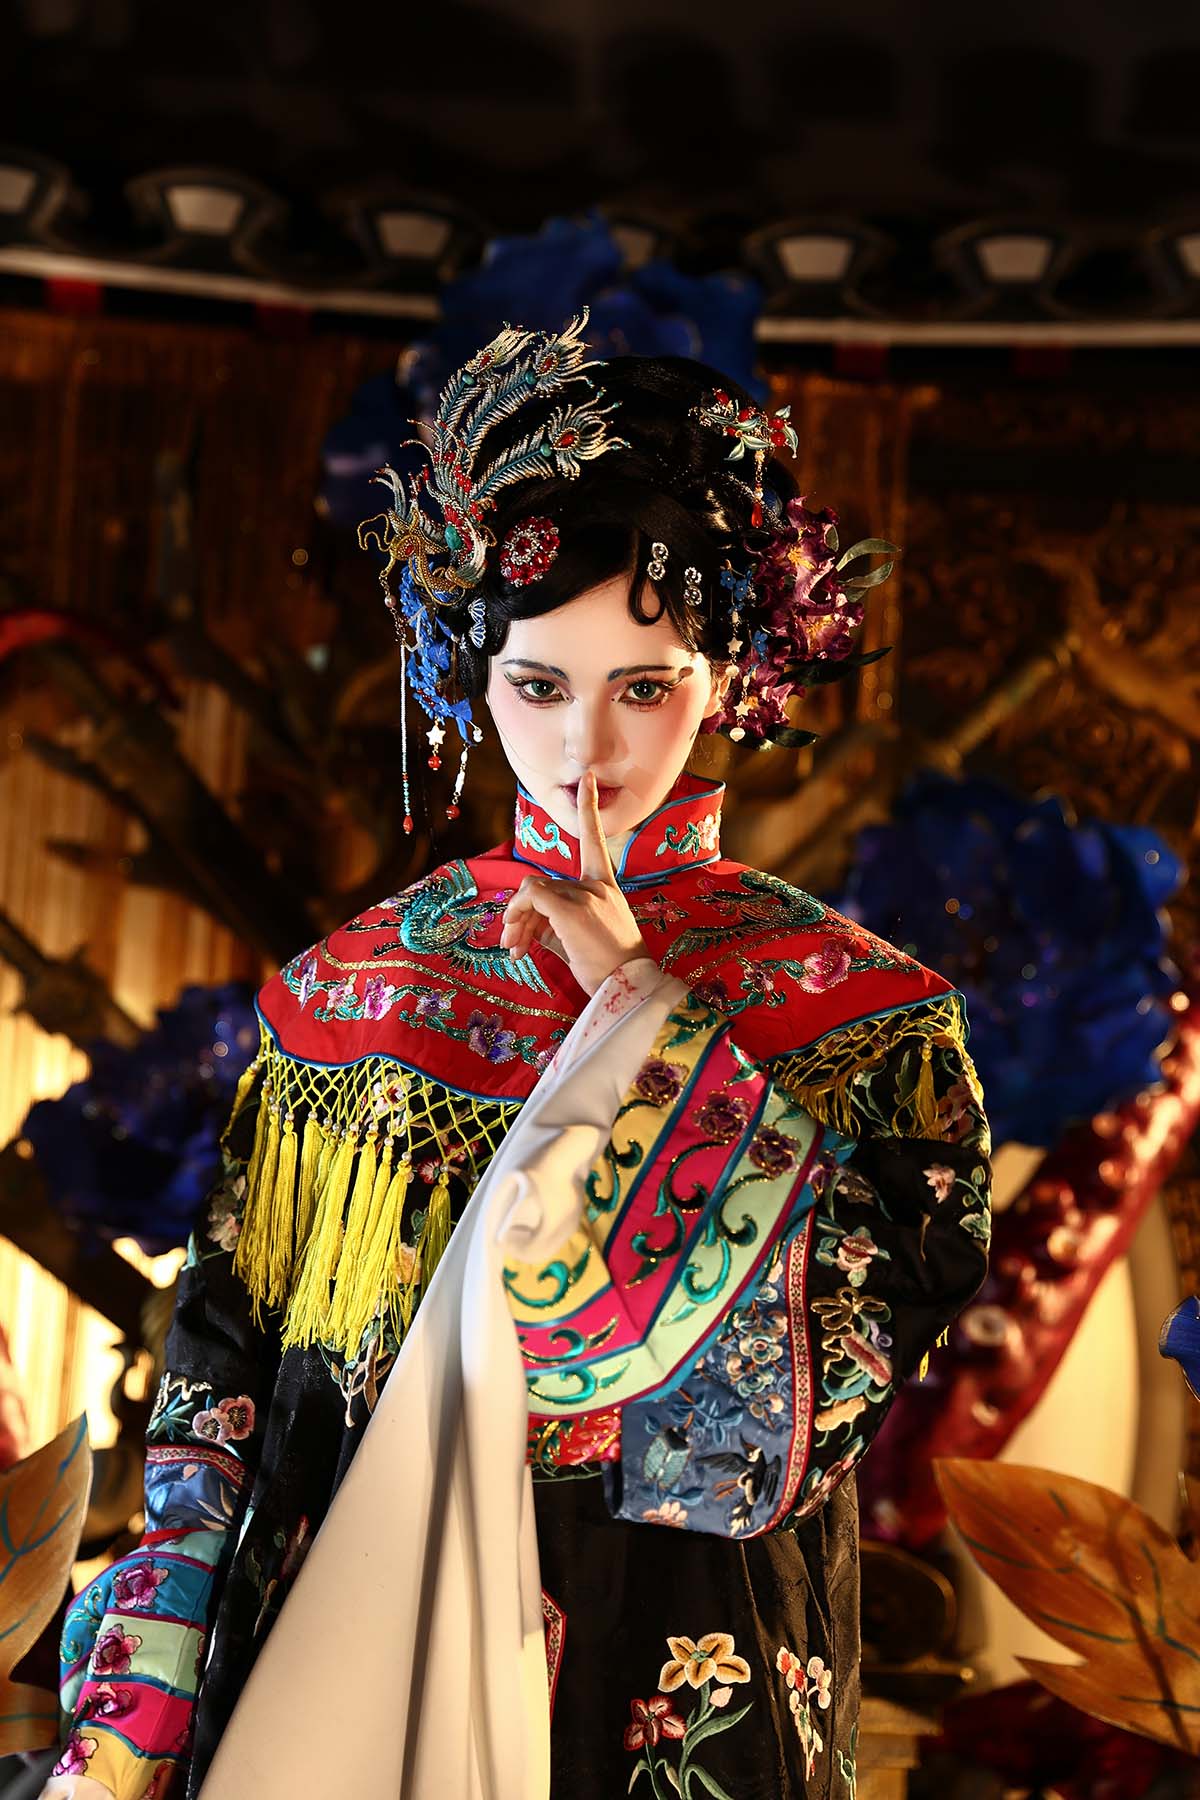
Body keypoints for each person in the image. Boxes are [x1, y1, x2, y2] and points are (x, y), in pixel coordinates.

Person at [48, 318, 991, 1800]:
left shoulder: (861, 1018)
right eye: (538, 686)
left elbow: (806, 1406)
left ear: (730, 676)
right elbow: (223, 1391)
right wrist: (129, 1736)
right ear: (464, 676)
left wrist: (638, 1004)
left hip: (675, 1684)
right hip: (351, 1688)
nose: (585, 749)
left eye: (646, 685)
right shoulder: (357, 997)